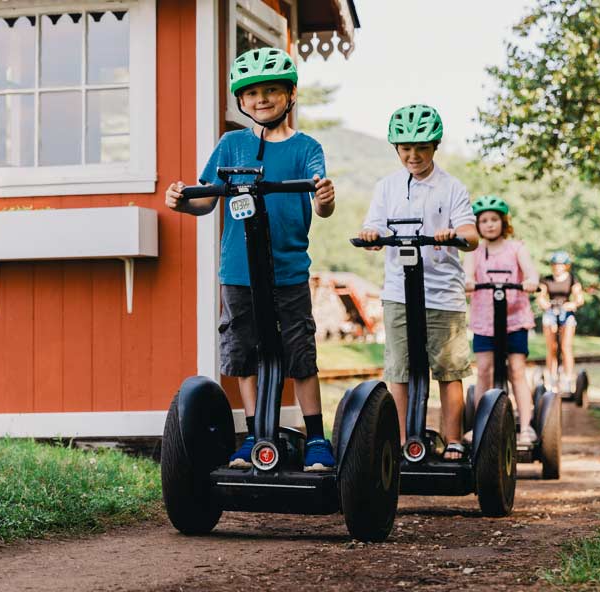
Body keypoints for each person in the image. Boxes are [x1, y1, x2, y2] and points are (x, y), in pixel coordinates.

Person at [164, 47, 337, 472]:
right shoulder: (231, 145)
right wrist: (182, 201)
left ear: (291, 95)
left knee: (299, 353)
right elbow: (205, 199)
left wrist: (325, 199)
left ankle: (316, 438)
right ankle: (256, 437)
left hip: (288, 270)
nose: (262, 99)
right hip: (238, 272)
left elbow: (320, 200)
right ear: (241, 101)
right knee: (244, 352)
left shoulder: (306, 147)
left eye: (272, 91)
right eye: (252, 93)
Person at [358, 104, 479, 461]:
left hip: (443, 295)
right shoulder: (387, 187)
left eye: (421, 148)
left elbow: (471, 235)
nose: (413, 155)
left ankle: (453, 439)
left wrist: (455, 234)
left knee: (449, 370)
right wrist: (371, 235)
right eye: (406, 148)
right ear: (396, 149)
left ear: (435, 147)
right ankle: (399, 442)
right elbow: (375, 226)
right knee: (399, 370)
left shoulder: (452, 187)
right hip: (398, 292)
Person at [464, 196, 539, 446]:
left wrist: (530, 281)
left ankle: (526, 426)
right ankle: (480, 426)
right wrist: (466, 282)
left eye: (494, 219)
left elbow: (531, 272)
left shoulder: (517, 247)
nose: (489, 225)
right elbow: (466, 276)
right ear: (477, 225)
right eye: (483, 220)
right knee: (484, 370)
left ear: (503, 222)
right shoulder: (474, 251)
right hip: (484, 320)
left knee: (516, 370)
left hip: (515, 319)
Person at [537, 250, 584, 392]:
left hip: (566, 313)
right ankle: (551, 378)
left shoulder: (572, 279)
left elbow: (579, 298)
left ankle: (568, 379)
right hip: (551, 312)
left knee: (565, 347)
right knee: (552, 347)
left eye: (560, 265)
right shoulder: (547, 280)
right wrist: (543, 303)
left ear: (566, 266)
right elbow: (541, 296)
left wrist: (573, 304)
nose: (557, 267)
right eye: (555, 265)